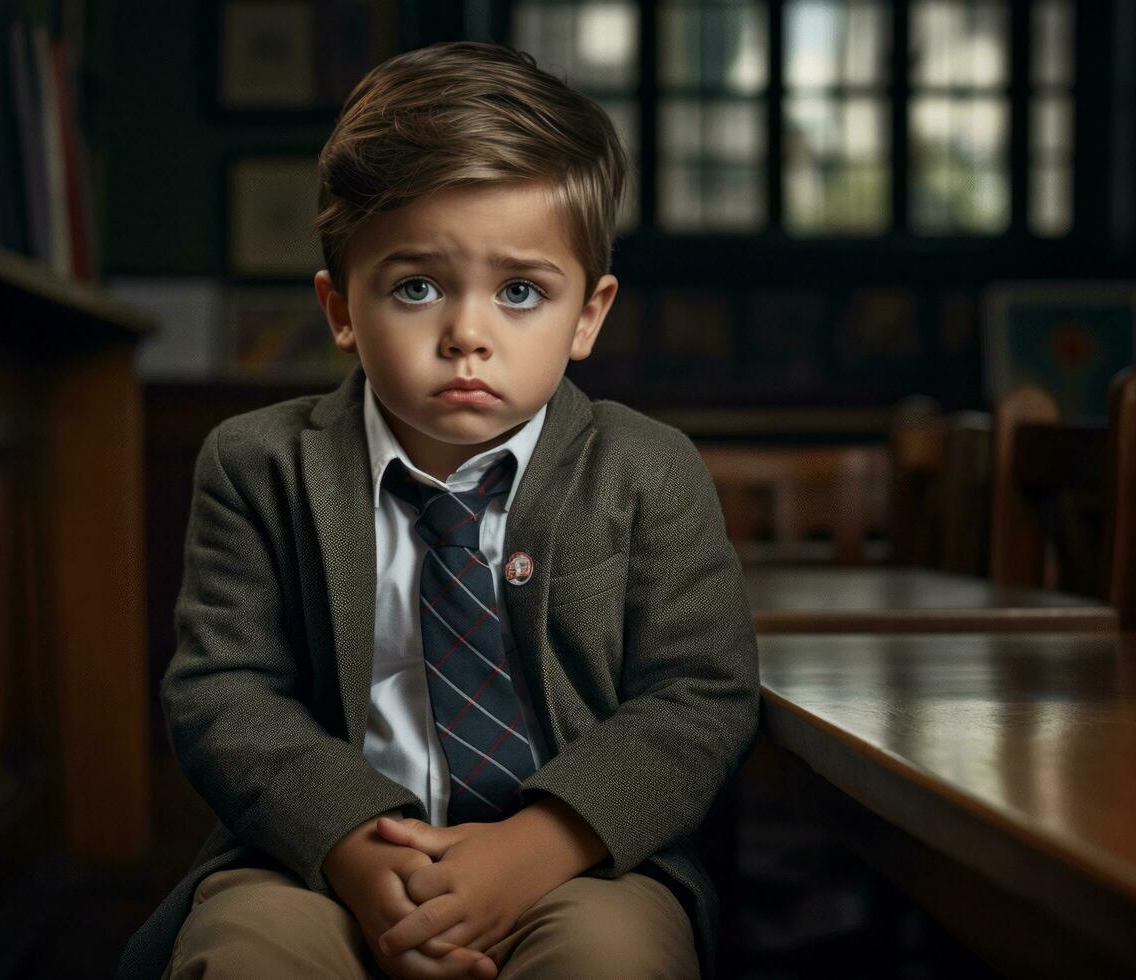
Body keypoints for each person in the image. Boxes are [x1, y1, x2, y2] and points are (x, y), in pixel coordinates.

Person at [117, 40, 759, 980]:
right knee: (248, 957)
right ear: (340, 309)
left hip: (578, 866)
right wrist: (348, 846)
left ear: (588, 313)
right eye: (415, 287)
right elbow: (223, 692)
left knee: (612, 962)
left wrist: (538, 846)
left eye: (520, 292)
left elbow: (700, 696)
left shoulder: (647, 470)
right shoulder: (258, 465)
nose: (467, 334)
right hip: (318, 862)